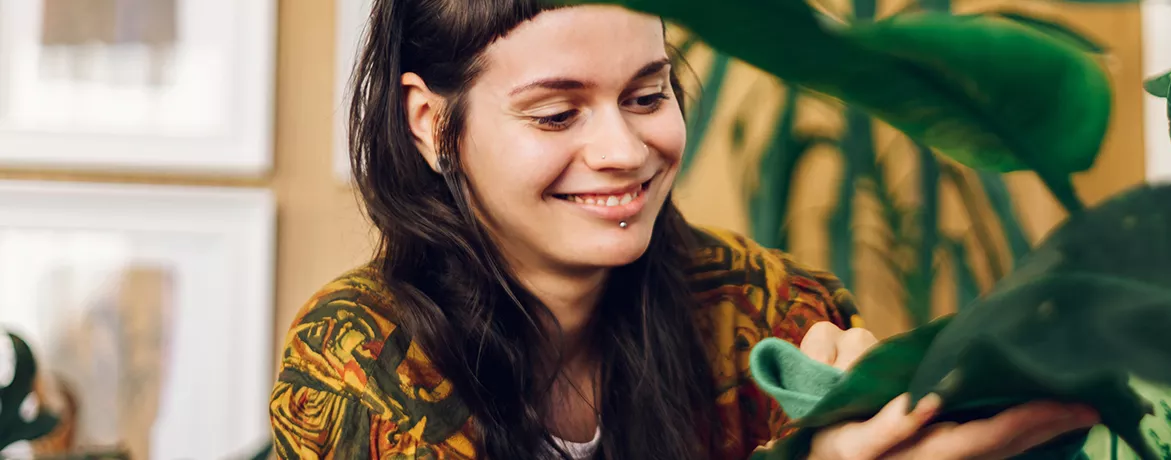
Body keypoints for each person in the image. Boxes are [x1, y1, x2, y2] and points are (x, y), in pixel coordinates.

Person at [267, 1, 1100, 458]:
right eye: (557, 113)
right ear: (430, 122)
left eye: (646, 95)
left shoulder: (774, 310)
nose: (625, 151)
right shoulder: (352, 359)